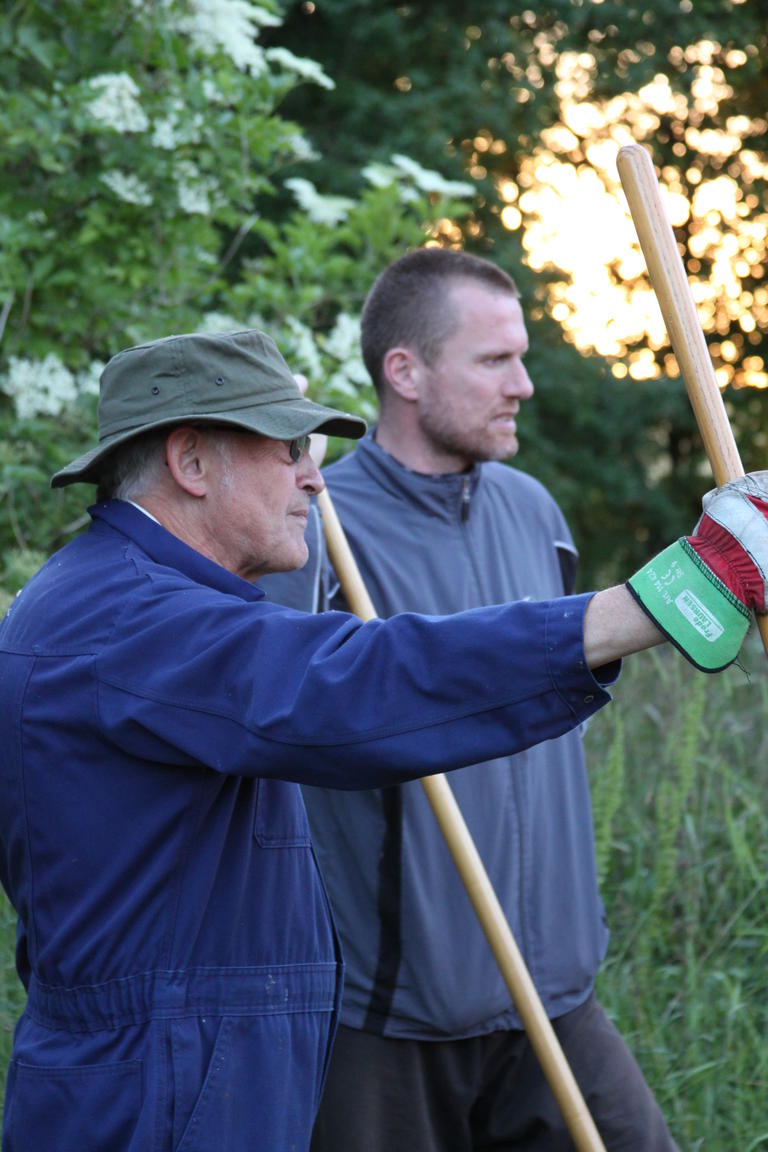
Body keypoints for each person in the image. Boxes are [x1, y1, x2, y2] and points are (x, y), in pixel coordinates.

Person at [0, 327, 765, 1152]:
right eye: (290, 446)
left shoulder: (141, 601)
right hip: (154, 1102)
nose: (313, 477)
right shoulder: (124, 620)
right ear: (190, 463)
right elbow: (355, 686)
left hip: (185, 1080)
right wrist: (676, 594)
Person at [302, 248, 767, 1151]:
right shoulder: (322, 529)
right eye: (493, 361)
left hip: (554, 994)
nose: (522, 385)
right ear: (404, 371)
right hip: (395, 1013)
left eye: (523, 357)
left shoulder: (533, 512)